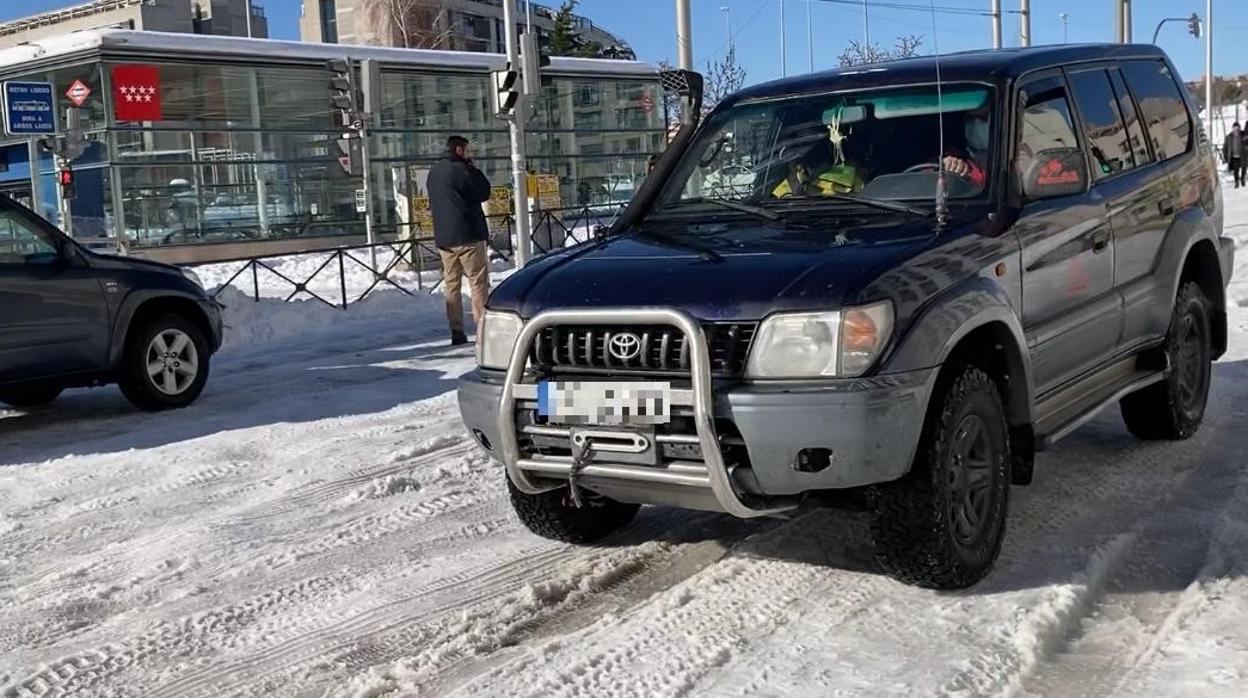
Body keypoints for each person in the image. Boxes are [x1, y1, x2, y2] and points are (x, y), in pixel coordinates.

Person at [428, 135, 492, 346]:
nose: (470, 153)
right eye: (467, 150)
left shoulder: (434, 172)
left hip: (444, 238)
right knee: (478, 283)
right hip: (468, 236)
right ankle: (482, 328)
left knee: (452, 285)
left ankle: (456, 330)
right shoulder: (463, 170)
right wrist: (472, 168)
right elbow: (484, 191)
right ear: (458, 150)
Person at [940, 105, 991, 189]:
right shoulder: (954, 154)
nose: (976, 123)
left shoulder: (1006, 151)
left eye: (983, 118)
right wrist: (947, 166)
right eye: (971, 119)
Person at [1224, 122, 1246, 189]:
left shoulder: (1243, 135)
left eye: (1237, 129)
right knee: (1236, 171)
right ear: (1232, 129)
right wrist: (1225, 156)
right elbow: (1225, 147)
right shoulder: (1229, 137)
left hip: (1242, 156)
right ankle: (1236, 182)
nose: (1236, 131)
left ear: (1239, 129)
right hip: (1234, 156)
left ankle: (1242, 179)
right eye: (1235, 129)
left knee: (1243, 169)